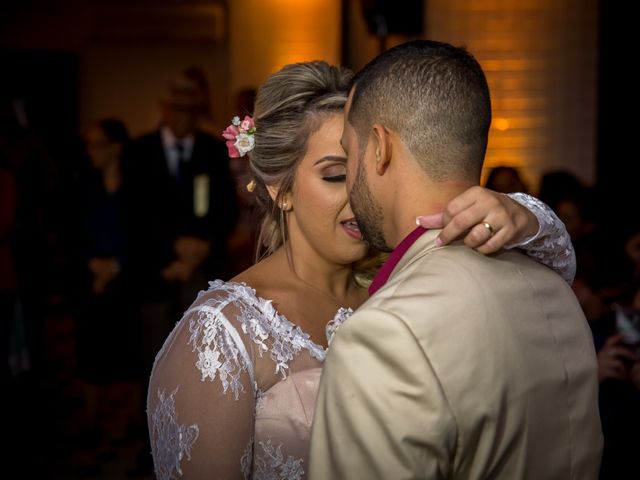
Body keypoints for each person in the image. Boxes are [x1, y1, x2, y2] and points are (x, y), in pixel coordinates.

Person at [147, 60, 577, 479]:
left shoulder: (408, 282)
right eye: (336, 175)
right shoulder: (220, 333)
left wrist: (527, 213)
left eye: (362, 172)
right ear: (281, 188)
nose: (360, 195)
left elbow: (548, 276)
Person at [309, 41, 602, 479]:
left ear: (378, 148)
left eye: (348, 158)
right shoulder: (553, 286)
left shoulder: (386, 336)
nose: (348, 184)